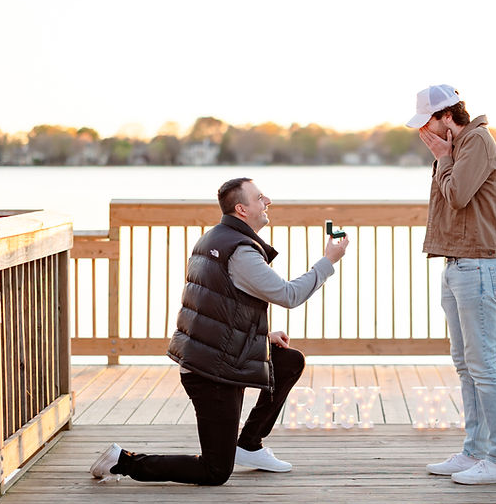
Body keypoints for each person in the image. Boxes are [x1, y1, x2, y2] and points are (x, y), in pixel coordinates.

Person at [89, 177, 350, 485]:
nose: (267, 201)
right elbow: (288, 295)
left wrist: (264, 337)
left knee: (287, 360)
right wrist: (328, 261)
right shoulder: (240, 251)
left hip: (215, 358)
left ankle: (249, 443)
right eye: (259, 198)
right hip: (211, 373)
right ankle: (122, 461)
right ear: (242, 209)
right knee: (215, 471)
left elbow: (214, 309)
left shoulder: (214, 239)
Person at [407, 84, 496, 485]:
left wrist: (443, 157)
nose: (425, 134)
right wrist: (445, 157)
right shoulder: (459, 148)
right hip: (459, 265)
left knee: (483, 366)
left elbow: (456, 196)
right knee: (466, 365)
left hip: (479, 267)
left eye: (428, 124)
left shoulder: (476, 143)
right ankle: (475, 452)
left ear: (446, 116)